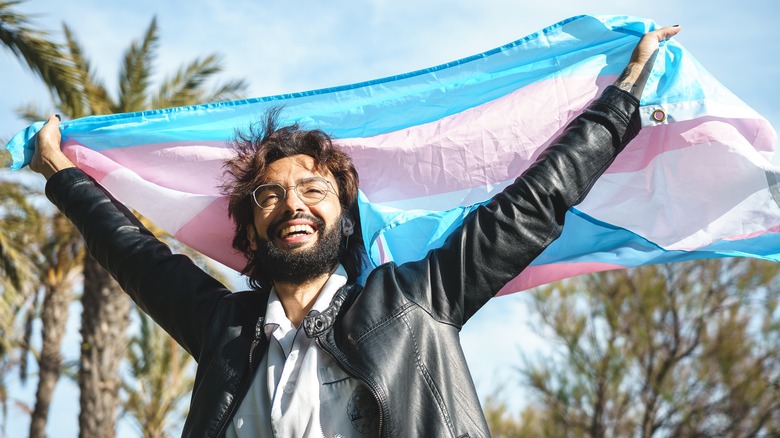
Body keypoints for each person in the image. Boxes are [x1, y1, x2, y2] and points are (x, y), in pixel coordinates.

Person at [32, 25, 680, 438]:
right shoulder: (225, 331)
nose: (294, 205)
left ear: (345, 218)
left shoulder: (415, 301)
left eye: (315, 190)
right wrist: (59, 170)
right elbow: (135, 253)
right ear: (251, 233)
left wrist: (620, 102)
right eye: (271, 195)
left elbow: (532, 205)